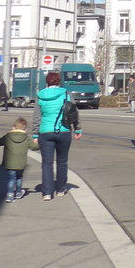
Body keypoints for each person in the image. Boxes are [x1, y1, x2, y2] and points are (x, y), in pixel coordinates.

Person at [31, 70, 82, 200]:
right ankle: (60, 189)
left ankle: (47, 193)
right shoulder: (66, 93)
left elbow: (37, 117)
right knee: (62, 162)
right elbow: (73, 112)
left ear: (47, 82)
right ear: (59, 81)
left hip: (45, 132)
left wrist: (35, 134)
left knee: (47, 164)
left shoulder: (40, 95)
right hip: (64, 131)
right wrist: (77, 129)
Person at [0, 117, 39, 202]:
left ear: (13, 127)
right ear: (25, 129)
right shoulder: (27, 138)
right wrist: (38, 142)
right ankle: (18, 193)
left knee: (11, 178)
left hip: (9, 163)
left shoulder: (8, 136)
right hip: (21, 163)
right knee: (19, 177)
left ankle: (10, 195)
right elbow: (34, 147)